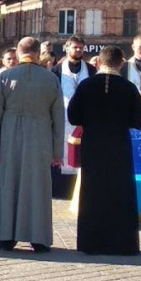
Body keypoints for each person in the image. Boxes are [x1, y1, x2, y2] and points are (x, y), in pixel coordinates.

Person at [0, 37, 65, 253]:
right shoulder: (51, 79)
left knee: (9, 185)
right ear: (38, 54)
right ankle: (38, 238)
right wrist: (58, 152)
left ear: (19, 53)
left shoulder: (5, 77)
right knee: (37, 187)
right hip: (40, 138)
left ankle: (6, 237)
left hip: (10, 137)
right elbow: (58, 118)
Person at [68, 46, 141, 255]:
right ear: (121, 63)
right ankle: (122, 244)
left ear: (99, 63)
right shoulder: (128, 87)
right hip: (119, 147)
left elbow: (73, 116)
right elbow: (139, 121)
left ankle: (91, 243)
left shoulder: (86, 85)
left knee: (93, 192)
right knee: (120, 193)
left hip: (93, 147)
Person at [52, 36, 97, 190]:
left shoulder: (91, 70)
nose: (78, 50)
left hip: (85, 120)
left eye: (81, 48)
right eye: (75, 47)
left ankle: (81, 188)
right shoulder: (57, 71)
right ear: (67, 48)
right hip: (62, 118)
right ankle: (61, 187)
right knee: (62, 151)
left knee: (83, 153)